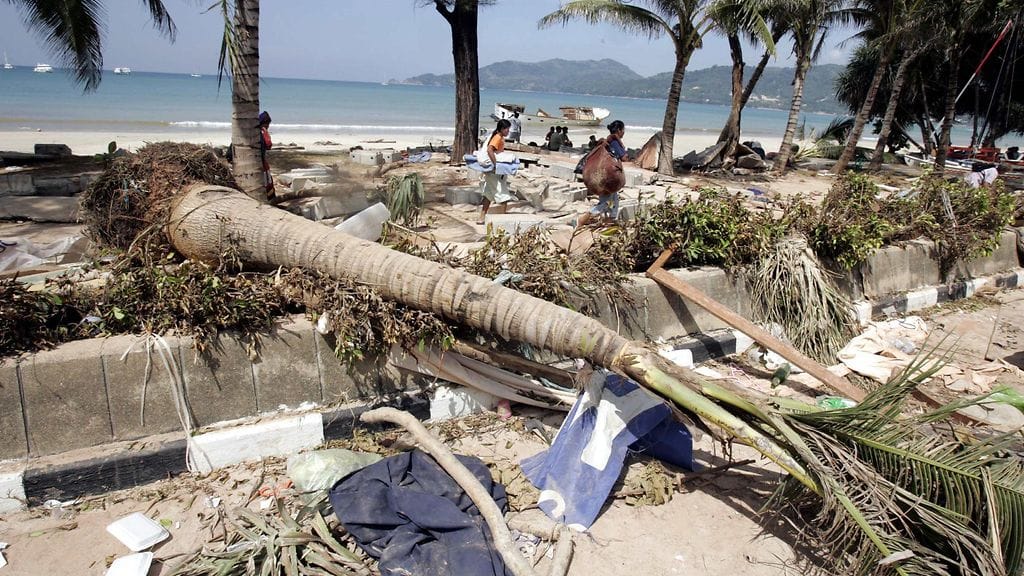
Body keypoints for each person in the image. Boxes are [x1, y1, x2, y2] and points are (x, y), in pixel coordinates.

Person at [577, 120, 628, 227]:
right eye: (623, 130)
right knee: (605, 203)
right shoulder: (614, 141)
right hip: (607, 178)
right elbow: (624, 157)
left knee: (615, 200)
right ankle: (584, 218)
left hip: (600, 176)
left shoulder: (606, 142)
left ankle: (611, 220)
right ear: (619, 130)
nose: (623, 132)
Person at [478, 119, 516, 224]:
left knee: (488, 195)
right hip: (493, 172)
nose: (508, 131)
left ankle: (481, 217)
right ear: (502, 129)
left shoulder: (496, 136)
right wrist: (496, 165)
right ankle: (502, 222)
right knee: (503, 195)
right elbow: (490, 149)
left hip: (490, 172)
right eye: (507, 129)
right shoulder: (498, 137)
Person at [257, 111, 276, 200]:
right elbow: (268, 145)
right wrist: (266, 132)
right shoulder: (262, 132)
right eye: (267, 124)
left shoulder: (249, 132)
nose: (268, 126)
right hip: (261, 163)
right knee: (267, 182)